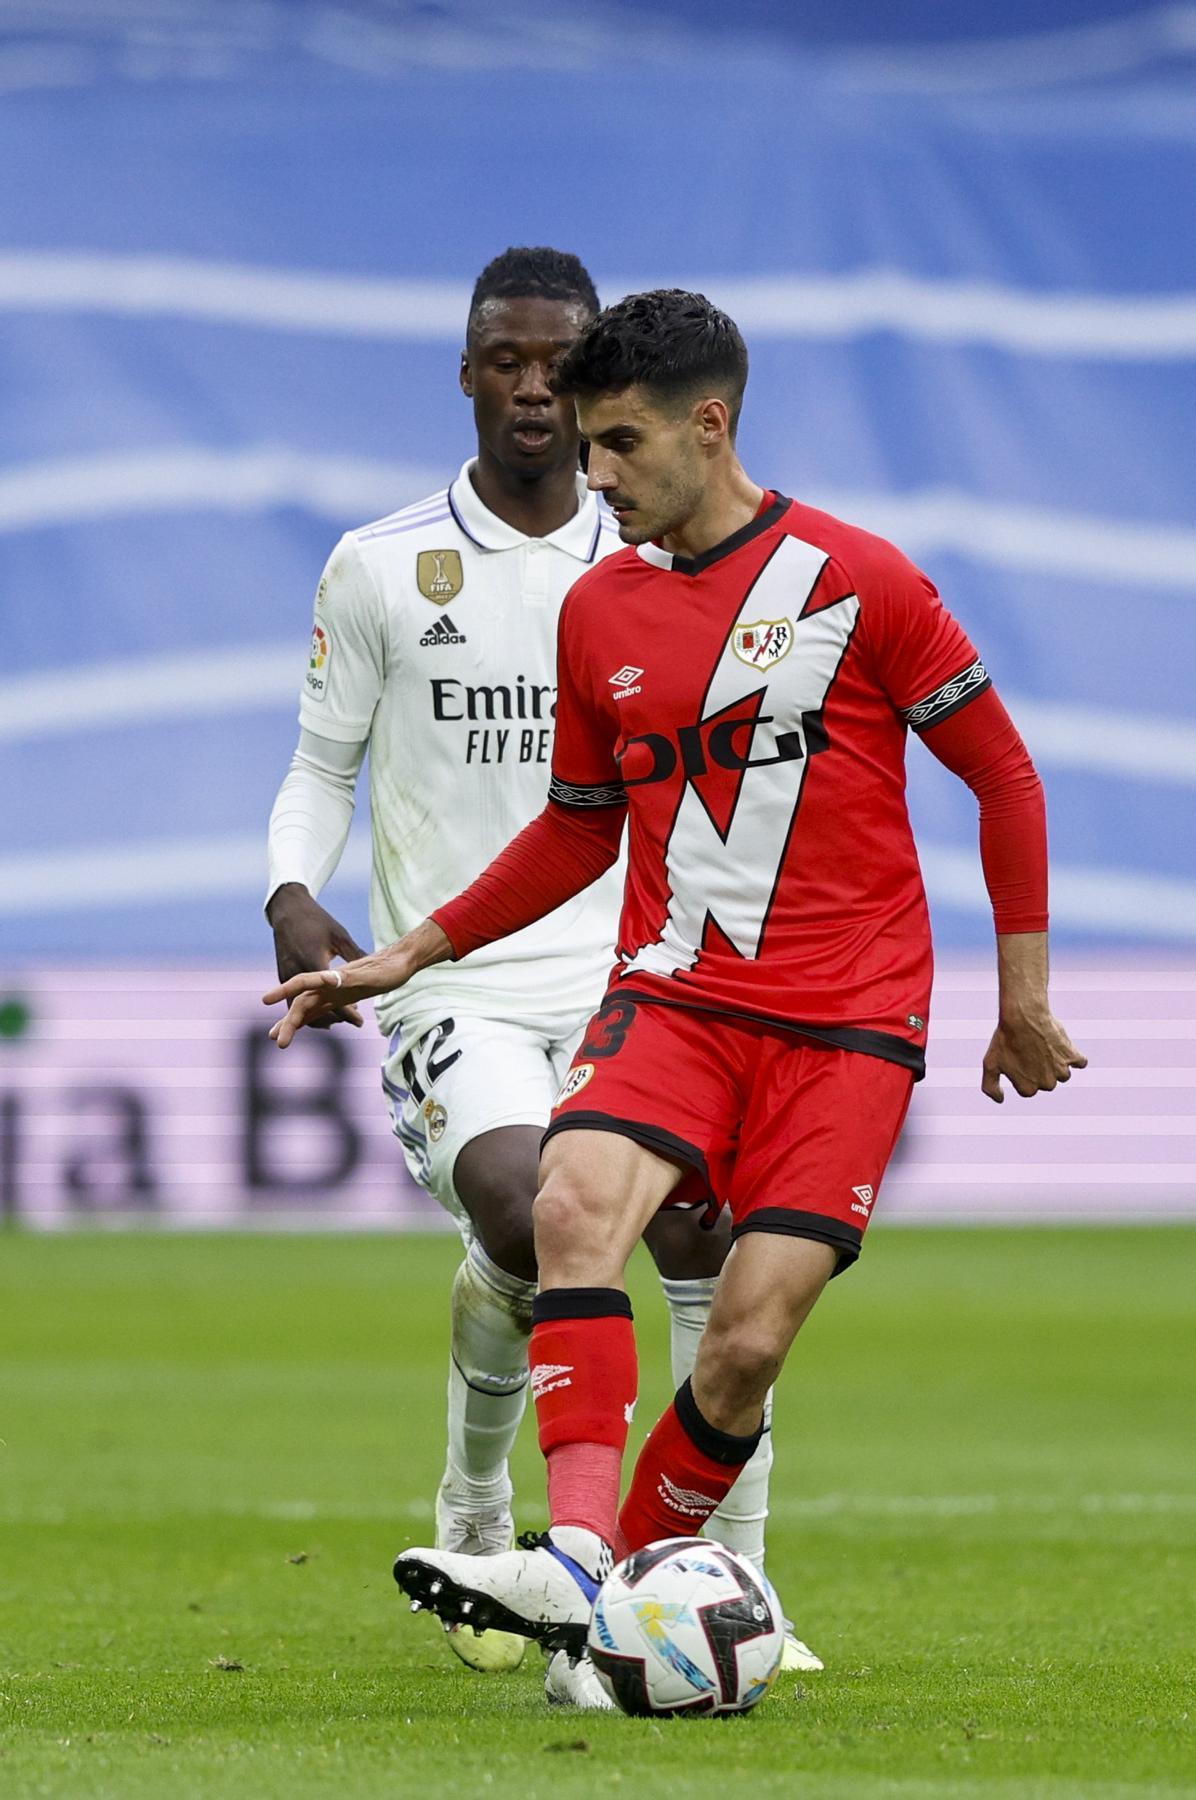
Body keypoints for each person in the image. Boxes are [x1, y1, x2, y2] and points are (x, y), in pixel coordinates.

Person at [265, 285, 1086, 1683]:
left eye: (623, 447)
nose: (596, 478)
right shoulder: (603, 611)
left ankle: (620, 1600)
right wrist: (409, 952)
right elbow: (582, 826)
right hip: (678, 998)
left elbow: (1002, 773)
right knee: (570, 1206)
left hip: (848, 1023)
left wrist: (1023, 996)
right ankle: (579, 1557)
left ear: (712, 427)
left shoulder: (860, 580)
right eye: (588, 448)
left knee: (746, 1342)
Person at [264, 261, 815, 1704]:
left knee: (705, 1232)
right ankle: (474, 1503)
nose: (528, 388)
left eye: (553, 367)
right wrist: (287, 890)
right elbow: (325, 762)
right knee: (525, 1207)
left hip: (640, 979)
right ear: (466, 376)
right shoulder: (381, 562)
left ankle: (727, 1581)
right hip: (460, 989)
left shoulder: (658, 565)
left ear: (592, 392)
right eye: (500, 361)